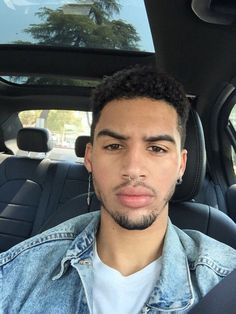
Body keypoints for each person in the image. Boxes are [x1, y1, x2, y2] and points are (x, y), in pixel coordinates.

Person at [0, 66, 236, 314]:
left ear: (181, 165)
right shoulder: (18, 273)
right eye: (114, 146)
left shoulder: (224, 281)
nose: (133, 169)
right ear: (90, 158)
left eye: (157, 148)